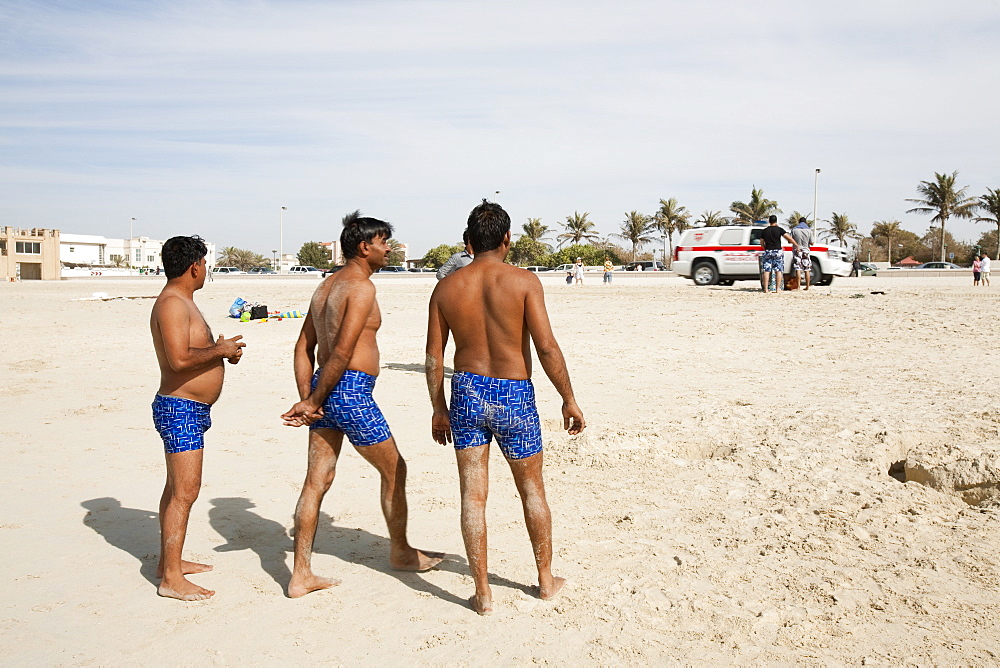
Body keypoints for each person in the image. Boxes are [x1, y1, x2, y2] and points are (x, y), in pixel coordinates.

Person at [425, 200, 586, 615]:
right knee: (532, 489)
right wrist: (567, 397)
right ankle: (546, 581)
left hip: (466, 392)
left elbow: (432, 357)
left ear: (467, 242)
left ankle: (482, 594)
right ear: (507, 238)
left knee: (472, 497)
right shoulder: (524, 282)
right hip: (513, 393)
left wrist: (438, 407)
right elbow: (546, 346)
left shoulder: (445, 288)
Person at [282, 211, 442, 599]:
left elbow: (304, 348)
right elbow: (341, 352)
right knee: (395, 470)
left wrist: (309, 397)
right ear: (363, 246)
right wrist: (313, 401)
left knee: (316, 481)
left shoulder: (324, 287)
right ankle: (401, 552)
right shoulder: (361, 288)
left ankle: (300, 573)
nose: (389, 248)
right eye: (384, 242)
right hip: (350, 392)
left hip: (325, 388)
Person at [149, 236, 245, 601]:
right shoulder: (173, 303)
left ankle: (167, 564)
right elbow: (178, 360)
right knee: (185, 491)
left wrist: (221, 354)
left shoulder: (183, 302)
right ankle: (171, 579)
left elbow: (192, 352)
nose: (206, 270)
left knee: (175, 488)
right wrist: (219, 350)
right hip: (179, 409)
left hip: (189, 408)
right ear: (194, 266)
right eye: (205, 264)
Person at [759, 215, 800, 294]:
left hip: (768, 251)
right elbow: (789, 238)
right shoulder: (779, 230)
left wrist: (765, 248)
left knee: (767, 271)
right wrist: (796, 245)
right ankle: (778, 289)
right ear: (776, 221)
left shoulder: (764, 231)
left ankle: (766, 289)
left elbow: (761, 242)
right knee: (778, 270)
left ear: (769, 221)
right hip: (777, 251)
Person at [790, 217, 813, 290]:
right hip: (806, 251)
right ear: (805, 222)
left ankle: (798, 286)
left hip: (797, 250)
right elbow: (812, 243)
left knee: (798, 268)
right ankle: (807, 286)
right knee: (807, 269)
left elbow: (789, 240)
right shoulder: (809, 230)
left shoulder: (794, 230)